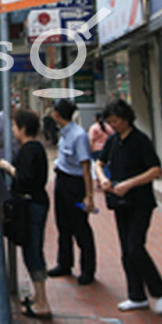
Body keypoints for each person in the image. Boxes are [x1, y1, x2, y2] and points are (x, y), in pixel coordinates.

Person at [96, 99, 162, 314]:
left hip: (140, 203)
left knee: (135, 247)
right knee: (126, 250)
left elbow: (156, 170)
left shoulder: (140, 141)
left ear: (126, 118)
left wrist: (129, 184)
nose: (113, 125)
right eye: (110, 122)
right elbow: (99, 163)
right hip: (120, 204)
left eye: (116, 121)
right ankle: (136, 295)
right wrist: (102, 178)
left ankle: (159, 291)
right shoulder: (113, 141)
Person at [0, 108, 52, 319]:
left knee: (33, 250)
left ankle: (42, 302)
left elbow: (25, 178)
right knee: (31, 249)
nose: (12, 130)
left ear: (22, 128)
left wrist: (9, 168)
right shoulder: (34, 147)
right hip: (35, 203)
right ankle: (36, 296)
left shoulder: (30, 149)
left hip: (32, 205)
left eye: (14, 126)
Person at [48, 98, 96, 285]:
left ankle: (88, 270)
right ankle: (64, 263)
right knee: (63, 224)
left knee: (80, 226)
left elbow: (86, 167)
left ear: (57, 114)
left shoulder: (78, 135)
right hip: (62, 183)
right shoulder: (64, 133)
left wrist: (88, 196)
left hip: (75, 188)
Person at [89, 111, 114, 187]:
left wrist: (89, 150)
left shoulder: (94, 128)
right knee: (106, 165)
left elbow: (92, 140)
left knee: (98, 165)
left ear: (95, 118)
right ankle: (107, 179)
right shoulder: (108, 127)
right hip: (106, 149)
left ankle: (102, 180)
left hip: (96, 150)